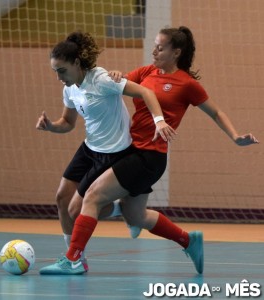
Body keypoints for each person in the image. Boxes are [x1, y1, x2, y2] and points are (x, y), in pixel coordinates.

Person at [39, 26, 259, 276]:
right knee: (137, 217)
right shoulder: (147, 72)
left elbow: (216, 112)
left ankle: (73, 259)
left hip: (149, 156)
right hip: (130, 150)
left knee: (91, 198)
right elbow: (118, 82)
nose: (154, 50)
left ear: (176, 52)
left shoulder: (187, 84)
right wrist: (115, 74)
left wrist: (235, 136)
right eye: (154, 45)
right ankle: (189, 241)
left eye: (160, 47)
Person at [36, 31, 175, 270]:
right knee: (61, 198)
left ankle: (78, 254)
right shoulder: (70, 88)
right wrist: (51, 127)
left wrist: (159, 120)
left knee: (76, 209)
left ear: (77, 63)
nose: (59, 77)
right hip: (89, 148)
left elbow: (145, 92)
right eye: (55, 72)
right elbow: (67, 123)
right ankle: (76, 257)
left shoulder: (101, 79)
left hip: (113, 152)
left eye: (62, 70)